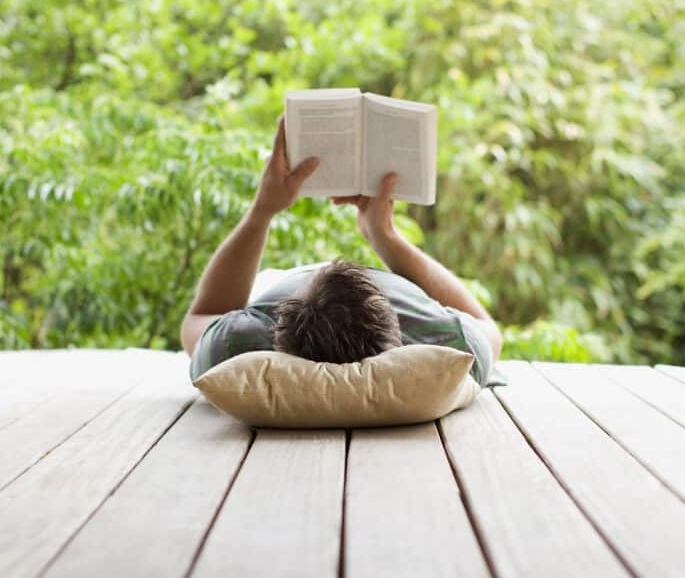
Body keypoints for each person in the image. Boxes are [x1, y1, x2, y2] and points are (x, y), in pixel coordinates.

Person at [181, 117, 503, 386]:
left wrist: (262, 210)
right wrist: (384, 236)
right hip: (392, 294)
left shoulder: (238, 345)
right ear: (400, 333)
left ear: (277, 333)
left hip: (276, 285)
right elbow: (488, 328)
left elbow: (198, 318)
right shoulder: (452, 349)